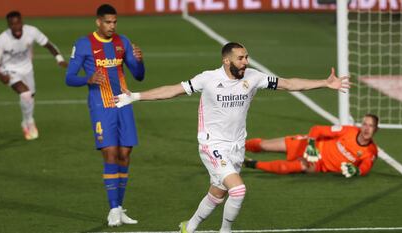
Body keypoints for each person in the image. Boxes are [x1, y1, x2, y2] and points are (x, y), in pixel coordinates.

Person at [113, 42, 350, 232]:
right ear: (226, 60)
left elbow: (288, 84)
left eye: (246, 57)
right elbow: (173, 90)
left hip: (236, 147)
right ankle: (226, 231)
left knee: (218, 192)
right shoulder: (208, 79)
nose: (246, 62)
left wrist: (324, 83)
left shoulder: (254, 77)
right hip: (212, 144)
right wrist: (136, 96)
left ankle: (190, 227)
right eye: (241, 58)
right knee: (238, 190)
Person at [65, 4, 145, 227]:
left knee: (125, 154)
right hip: (101, 106)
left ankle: (119, 207)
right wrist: (87, 79)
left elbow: (138, 76)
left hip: (123, 103)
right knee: (110, 153)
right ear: (98, 22)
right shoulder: (83, 43)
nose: (112, 26)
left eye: (114, 22)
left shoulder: (123, 42)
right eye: (108, 22)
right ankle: (113, 209)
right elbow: (69, 77)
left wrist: (139, 60)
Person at [0, 11, 67, 140]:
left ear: (22, 22)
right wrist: (1, 76)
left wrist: (59, 59)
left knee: (30, 97)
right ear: (9, 26)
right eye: (12, 24)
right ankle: (29, 122)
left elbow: (48, 45)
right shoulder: (2, 40)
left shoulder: (32, 31)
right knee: (25, 94)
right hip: (9, 70)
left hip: (27, 69)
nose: (16, 26)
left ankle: (25, 121)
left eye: (18, 23)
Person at [244, 114, 378, 178]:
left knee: (292, 167)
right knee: (263, 145)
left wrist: (357, 171)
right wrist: (311, 145)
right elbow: (317, 129)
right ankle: (237, 146)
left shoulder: (371, 152)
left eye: (371, 126)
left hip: (318, 164)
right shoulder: (348, 130)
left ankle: (251, 163)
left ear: (376, 129)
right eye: (365, 124)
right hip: (308, 144)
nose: (367, 129)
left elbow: (365, 167)